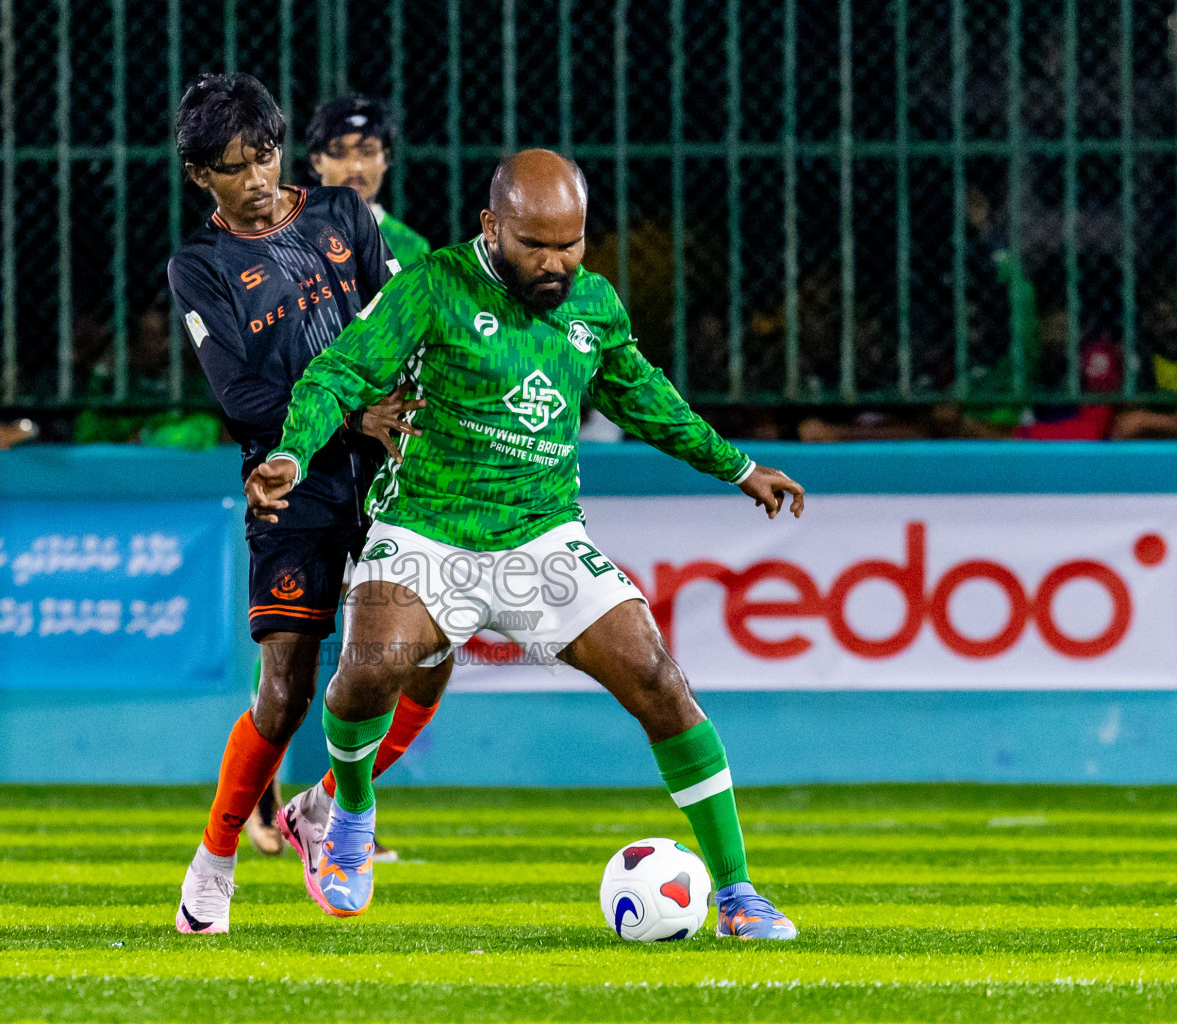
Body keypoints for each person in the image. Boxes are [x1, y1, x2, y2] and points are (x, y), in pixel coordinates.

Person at [246, 149, 804, 939]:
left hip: (542, 536)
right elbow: (334, 376)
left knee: (657, 677)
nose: (556, 264)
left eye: (571, 244)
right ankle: (349, 813)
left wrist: (739, 467)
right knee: (364, 678)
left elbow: (645, 397)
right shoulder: (435, 286)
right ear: (491, 226)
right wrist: (292, 456)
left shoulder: (595, 306)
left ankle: (740, 894)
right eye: (535, 245)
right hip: (428, 527)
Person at [165, 73, 448, 936]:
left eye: (264, 158)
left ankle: (324, 804)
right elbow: (240, 395)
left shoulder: (344, 220)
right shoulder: (200, 267)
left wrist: (408, 404)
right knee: (285, 688)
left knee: (431, 653)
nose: (254, 181)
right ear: (197, 175)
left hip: (384, 471)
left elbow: (399, 320)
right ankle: (213, 865)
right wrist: (347, 413)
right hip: (290, 481)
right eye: (231, 168)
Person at [307, 95, 431, 268]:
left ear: (386, 159)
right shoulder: (294, 237)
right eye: (340, 153)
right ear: (317, 161)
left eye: (367, 152)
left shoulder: (411, 248)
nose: (356, 167)